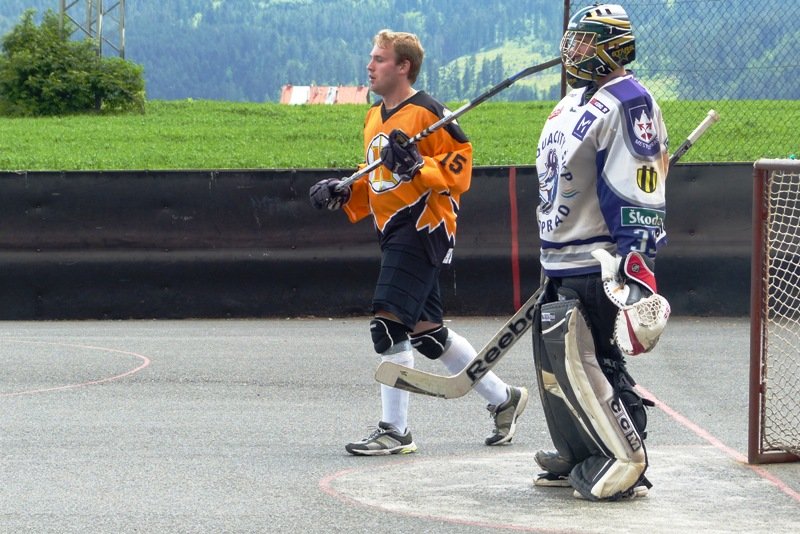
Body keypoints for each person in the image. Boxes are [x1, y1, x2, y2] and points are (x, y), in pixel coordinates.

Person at [309, 29, 528, 456]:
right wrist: (344, 192)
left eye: (379, 59)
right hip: (393, 229)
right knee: (427, 334)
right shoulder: (374, 117)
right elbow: (377, 176)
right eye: (371, 58)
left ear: (403, 66)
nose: (369, 66)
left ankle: (395, 431)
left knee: (388, 324)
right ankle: (505, 399)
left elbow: (460, 166)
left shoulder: (429, 112)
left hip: (424, 227)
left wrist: (419, 167)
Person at [530, 4, 669, 500]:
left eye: (585, 41)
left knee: (593, 362)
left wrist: (636, 266)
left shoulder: (630, 102)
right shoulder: (573, 100)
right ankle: (579, 449)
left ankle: (625, 459)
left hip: (598, 260)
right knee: (555, 365)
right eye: (573, 40)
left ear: (614, 47)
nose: (574, 51)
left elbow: (637, 189)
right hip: (558, 257)